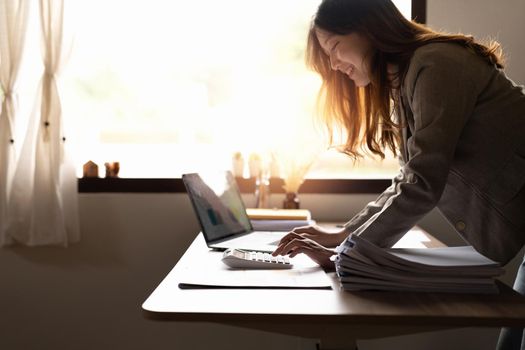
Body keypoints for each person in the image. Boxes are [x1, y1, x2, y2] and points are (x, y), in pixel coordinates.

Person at [271, 0, 525, 348]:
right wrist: (343, 235)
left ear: (369, 30)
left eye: (334, 47)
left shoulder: (435, 64)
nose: (333, 64)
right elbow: (409, 177)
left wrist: (349, 253)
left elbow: (423, 181)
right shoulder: (407, 78)